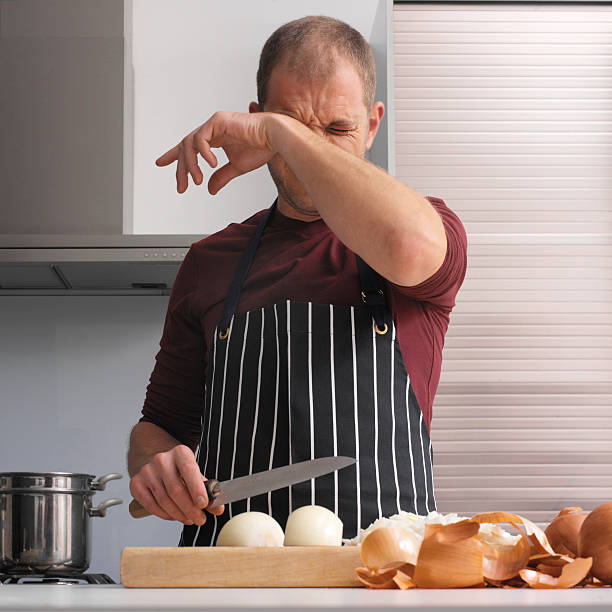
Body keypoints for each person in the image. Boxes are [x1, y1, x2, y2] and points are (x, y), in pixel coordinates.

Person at [127, 15, 467, 546]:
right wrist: (155, 465)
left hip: (383, 586)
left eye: (337, 129)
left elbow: (409, 246)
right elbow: (159, 427)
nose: (316, 152)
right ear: (256, 120)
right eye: (289, 125)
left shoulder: (423, 227)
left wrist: (286, 134)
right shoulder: (208, 261)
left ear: (373, 124)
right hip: (227, 584)